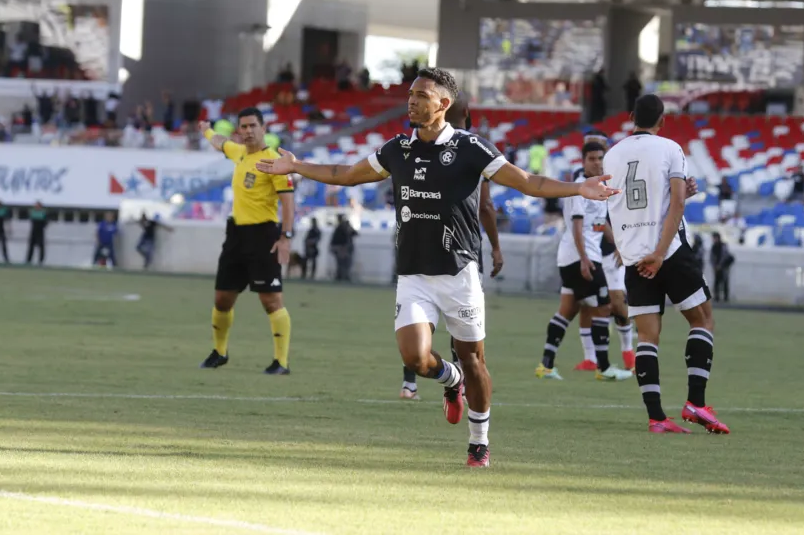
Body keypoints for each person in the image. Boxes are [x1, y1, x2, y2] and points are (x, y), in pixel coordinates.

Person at [253, 67, 618, 467]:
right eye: (411, 93)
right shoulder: (397, 149)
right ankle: (451, 379)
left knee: (475, 361)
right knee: (415, 359)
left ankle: (479, 440)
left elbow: (528, 182)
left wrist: (578, 187)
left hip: (459, 275)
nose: (412, 100)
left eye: (422, 95)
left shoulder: (471, 148)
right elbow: (345, 175)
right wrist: (297, 166)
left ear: (443, 104)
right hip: (413, 275)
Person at [604, 94, 729, 435]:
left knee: (647, 337)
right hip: (666, 250)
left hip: (632, 255)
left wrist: (636, 250)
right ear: (662, 121)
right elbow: (675, 202)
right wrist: (660, 251)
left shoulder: (612, 154)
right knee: (702, 319)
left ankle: (657, 418)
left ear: (631, 117)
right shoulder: (671, 148)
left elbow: (623, 204)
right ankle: (696, 403)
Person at [399, 91, 505, 401]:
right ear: (468, 113)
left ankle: (413, 384)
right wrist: (496, 247)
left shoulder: (412, 144)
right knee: (463, 334)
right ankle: (457, 381)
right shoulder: (474, 149)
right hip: (462, 250)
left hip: (416, 249)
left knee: (417, 323)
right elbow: (485, 206)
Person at [198, 107, 296, 375]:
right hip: (236, 235)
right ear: (239, 131)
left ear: (264, 128)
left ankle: (281, 362)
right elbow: (220, 143)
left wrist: (286, 236)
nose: (249, 131)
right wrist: (206, 129)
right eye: (244, 127)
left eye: (254, 126)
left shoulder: (274, 161)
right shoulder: (239, 153)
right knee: (222, 298)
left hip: (264, 235)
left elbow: (288, 201)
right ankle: (219, 352)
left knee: (271, 300)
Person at [535, 140, 633, 382]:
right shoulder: (580, 186)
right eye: (592, 159)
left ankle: (545, 365)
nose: (597, 162)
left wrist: (618, 245)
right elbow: (577, 225)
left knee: (568, 310)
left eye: (600, 158)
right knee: (604, 306)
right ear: (583, 161)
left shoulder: (599, 185)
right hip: (581, 256)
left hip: (576, 256)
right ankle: (604, 367)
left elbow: (599, 223)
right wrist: (584, 258)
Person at [330, 214, 357, 281]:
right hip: (341, 248)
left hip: (345, 248)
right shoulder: (339, 228)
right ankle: (341, 276)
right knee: (341, 263)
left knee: (345, 263)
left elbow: (354, 233)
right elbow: (338, 240)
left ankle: (344, 275)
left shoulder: (344, 228)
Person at [709, 232, 734, 303]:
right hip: (717, 268)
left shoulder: (723, 245)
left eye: (714, 238)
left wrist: (720, 265)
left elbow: (724, 256)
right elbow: (711, 258)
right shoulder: (713, 247)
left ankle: (726, 298)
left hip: (724, 268)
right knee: (716, 283)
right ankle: (717, 297)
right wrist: (714, 266)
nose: (713, 239)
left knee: (725, 282)